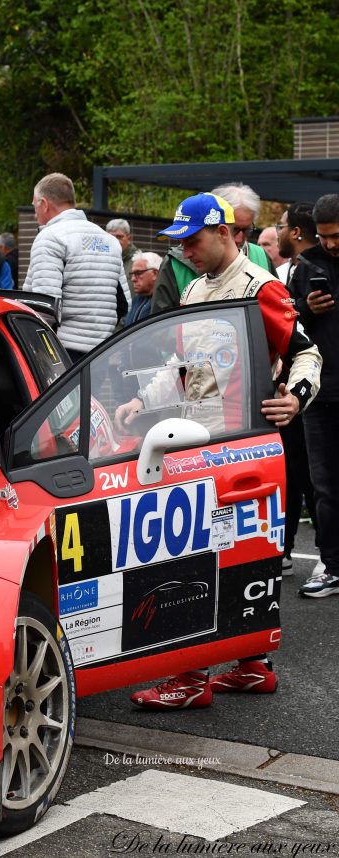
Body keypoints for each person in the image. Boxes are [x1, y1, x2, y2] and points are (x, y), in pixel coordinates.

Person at [115, 192, 321, 709]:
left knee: (201, 557)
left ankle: (188, 679)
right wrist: (141, 398)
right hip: (198, 438)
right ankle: (252, 666)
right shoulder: (193, 294)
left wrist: (294, 400)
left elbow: (306, 352)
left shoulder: (261, 288)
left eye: (194, 240)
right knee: (234, 554)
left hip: (243, 444)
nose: (186, 251)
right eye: (180, 244)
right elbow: (186, 373)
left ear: (226, 232)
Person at [288, 194, 339, 598]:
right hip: (321, 396)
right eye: (324, 237)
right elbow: (288, 325)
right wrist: (307, 307)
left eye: (337, 235)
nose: (332, 243)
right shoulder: (304, 268)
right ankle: (332, 565)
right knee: (324, 487)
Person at [23, 172, 127, 362]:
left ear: (44, 204)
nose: (35, 213)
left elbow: (44, 307)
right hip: (103, 351)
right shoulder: (109, 241)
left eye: (34, 205)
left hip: (63, 351)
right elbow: (123, 302)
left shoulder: (50, 237)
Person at [152, 182, 274, 316]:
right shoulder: (179, 270)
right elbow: (162, 328)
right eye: (235, 229)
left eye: (246, 230)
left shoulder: (263, 265)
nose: (239, 239)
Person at [276, 202, 319, 573]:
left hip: (315, 389)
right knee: (295, 474)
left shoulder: (314, 269)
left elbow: (297, 326)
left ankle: (326, 556)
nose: (275, 232)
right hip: (291, 391)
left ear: (295, 232)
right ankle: (286, 551)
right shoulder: (287, 270)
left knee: (315, 478)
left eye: (280, 225)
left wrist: (304, 306)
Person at [122, 252, 160, 327]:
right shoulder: (135, 301)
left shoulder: (164, 303)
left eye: (138, 273)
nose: (133, 279)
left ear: (155, 273)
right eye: (132, 274)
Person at [106, 219, 138, 299]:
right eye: (111, 237)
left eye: (119, 237)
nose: (115, 241)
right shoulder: (101, 259)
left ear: (129, 239)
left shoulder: (138, 261)